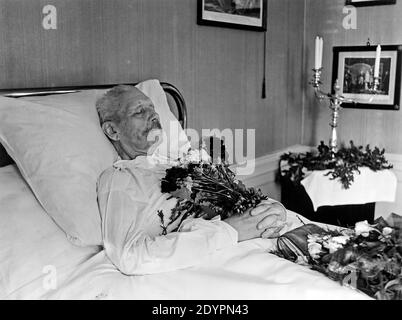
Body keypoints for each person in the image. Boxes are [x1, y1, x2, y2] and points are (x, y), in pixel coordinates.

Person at [95, 85, 287, 275]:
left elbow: (239, 198)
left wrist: (272, 209)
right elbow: (130, 257)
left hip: (258, 242)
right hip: (221, 260)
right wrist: (229, 231)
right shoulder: (120, 178)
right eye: (139, 111)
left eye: (152, 108)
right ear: (112, 130)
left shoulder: (178, 162)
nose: (153, 115)